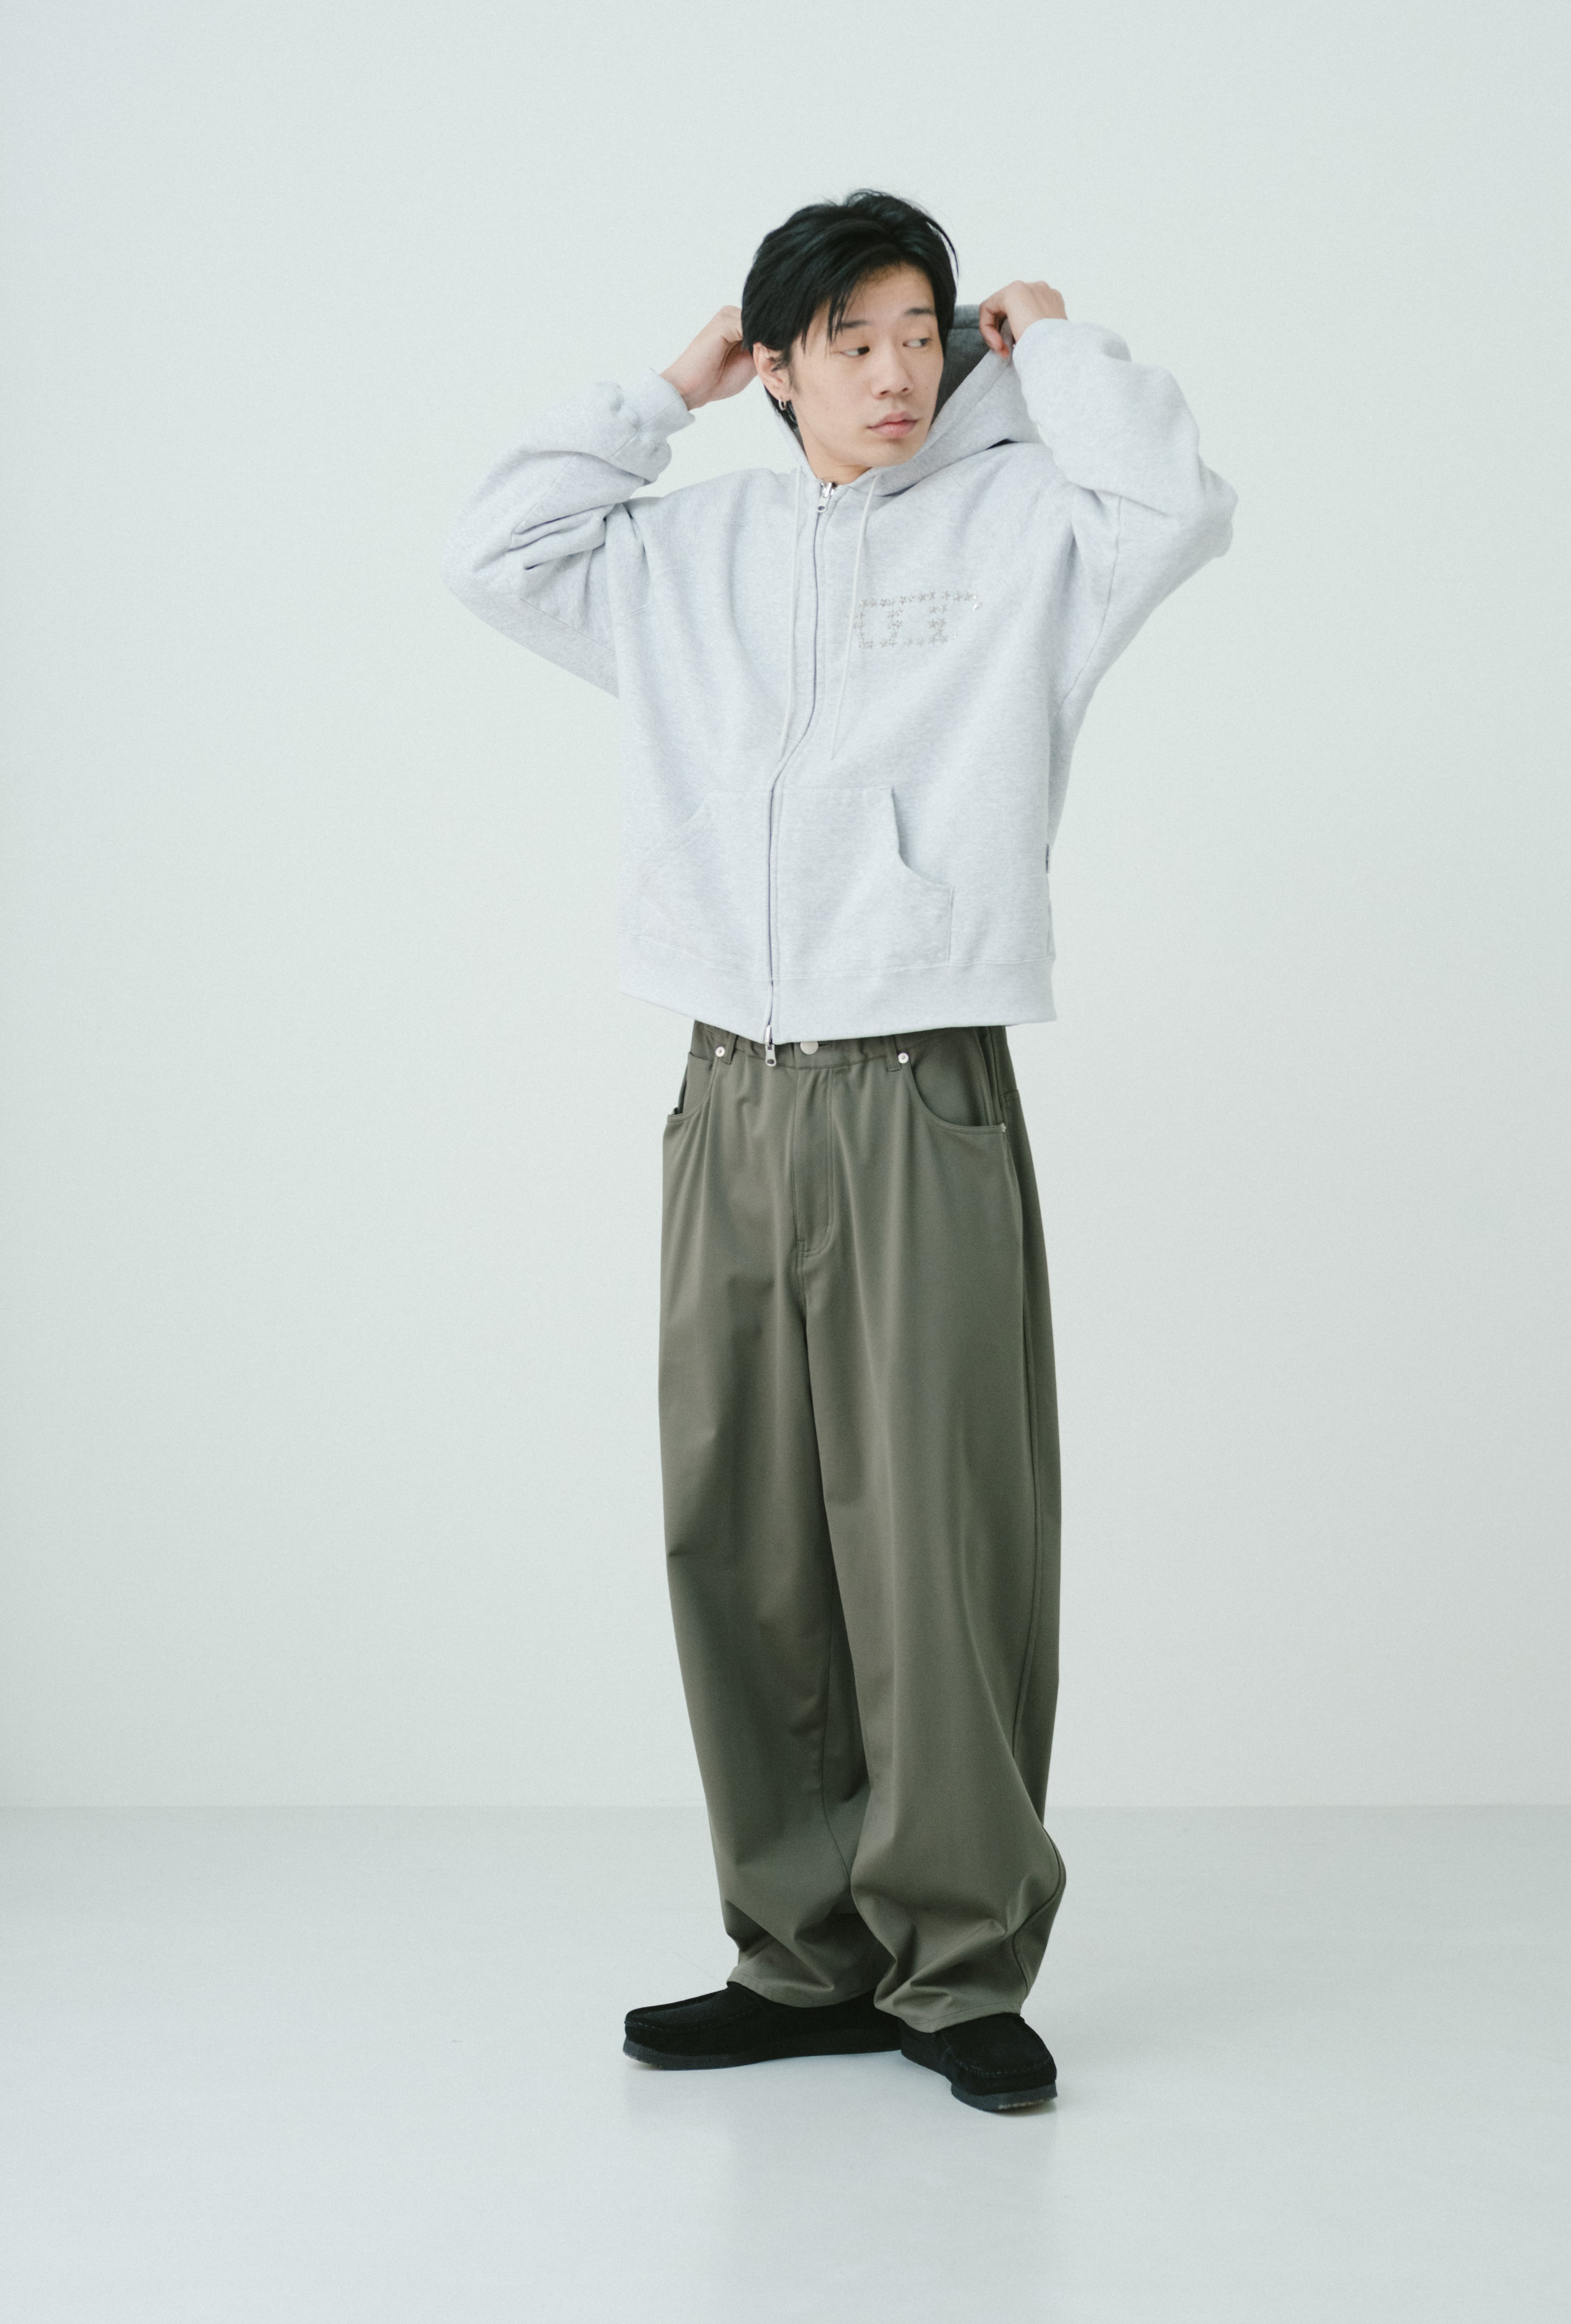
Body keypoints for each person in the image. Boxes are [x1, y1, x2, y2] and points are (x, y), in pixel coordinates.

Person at [441, 189, 1236, 2111]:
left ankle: (957, 1972)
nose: (895, 374)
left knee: (933, 1542)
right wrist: (663, 390)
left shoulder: (1027, 531)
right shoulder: (686, 551)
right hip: (729, 1088)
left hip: (914, 1082)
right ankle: (798, 1957)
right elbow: (494, 550)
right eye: (852, 340)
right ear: (778, 364)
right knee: (742, 1531)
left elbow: (1178, 509)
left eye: (922, 335)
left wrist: (1060, 349)